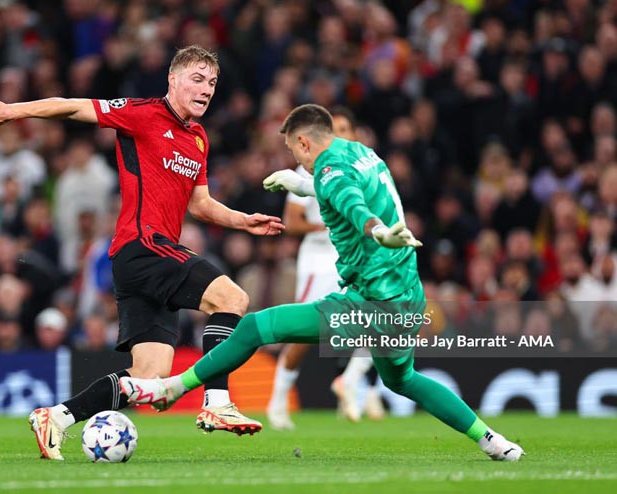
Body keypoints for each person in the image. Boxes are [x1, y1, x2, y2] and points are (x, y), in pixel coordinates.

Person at [120, 104, 524, 461]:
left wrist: (376, 230)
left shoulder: (331, 173)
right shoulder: (362, 153)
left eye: (295, 153)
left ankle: (175, 388)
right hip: (407, 294)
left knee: (254, 326)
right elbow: (341, 187)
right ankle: (490, 439)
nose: (298, 161)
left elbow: (352, 203)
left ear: (304, 142)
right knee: (402, 379)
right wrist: (300, 185)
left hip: (370, 303)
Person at [0, 45, 284, 460]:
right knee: (233, 299)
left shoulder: (198, 138)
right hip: (144, 247)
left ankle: (58, 417)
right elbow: (71, 107)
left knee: (150, 378)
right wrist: (13, 112)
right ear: (172, 80)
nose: (206, 89)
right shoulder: (141, 113)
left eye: (211, 82)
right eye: (197, 78)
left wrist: (243, 220)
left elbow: (201, 205)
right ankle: (216, 403)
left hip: (144, 260)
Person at [266, 107, 384, 431]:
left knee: (382, 320)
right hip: (318, 262)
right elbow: (291, 221)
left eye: (346, 129)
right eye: (337, 130)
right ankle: (277, 402)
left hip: (355, 257)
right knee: (306, 333)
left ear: (354, 134)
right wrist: (327, 228)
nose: (342, 135)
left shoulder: (363, 167)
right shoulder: (305, 168)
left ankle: (353, 382)